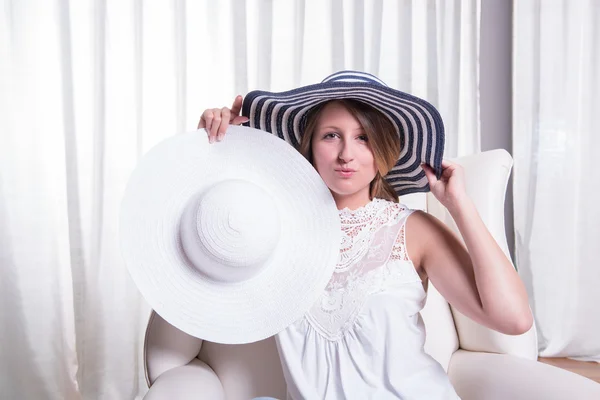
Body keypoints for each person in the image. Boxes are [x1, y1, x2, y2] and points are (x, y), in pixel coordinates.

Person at [197, 71, 533, 399]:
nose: (346, 154)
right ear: (309, 146)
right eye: (331, 135)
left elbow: (513, 319)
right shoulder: (274, 232)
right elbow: (203, 263)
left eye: (364, 138)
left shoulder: (413, 230)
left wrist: (459, 205)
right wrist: (215, 147)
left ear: (383, 150)